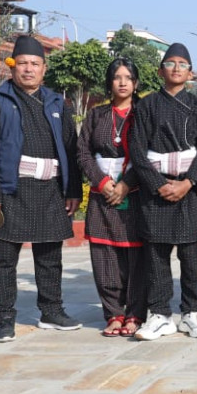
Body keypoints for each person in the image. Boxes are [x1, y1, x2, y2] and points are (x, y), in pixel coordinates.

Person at [0, 35, 83, 342]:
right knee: (5, 258)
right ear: (13, 67)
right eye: (22, 63)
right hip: (12, 191)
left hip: (50, 190)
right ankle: (4, 317)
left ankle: (51, 311)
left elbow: (70, 148)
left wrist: (73, 189)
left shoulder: (57, 102)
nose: (28, 69)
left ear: (44, 69)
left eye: (35, 64)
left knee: (50, 255)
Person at [130, 44, 197, 340]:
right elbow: (137, 150)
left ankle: (191, 312)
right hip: (156, 191)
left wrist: (189, 182)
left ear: (190, 73)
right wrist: (158, 184)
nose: (176, 68)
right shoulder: (147, 105)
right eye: (170, 63)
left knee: (190, 256)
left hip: (188, 190)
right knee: (157, 256)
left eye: (182, 64)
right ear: (159, 70)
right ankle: (160, 314)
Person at [77, 58, 146, 337]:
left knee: (136, 255)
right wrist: (103, 181)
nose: (122, 82)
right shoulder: (96, 115)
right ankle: (114, 313)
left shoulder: (144, 113)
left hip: (135, 191)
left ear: (136, 83)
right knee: (104, 255)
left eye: (128, 77)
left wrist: (127, 184)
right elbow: (82, 152)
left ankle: (135, 314)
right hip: (101, 192)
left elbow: (149, 152)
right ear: (110, 82)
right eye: (117, 77)